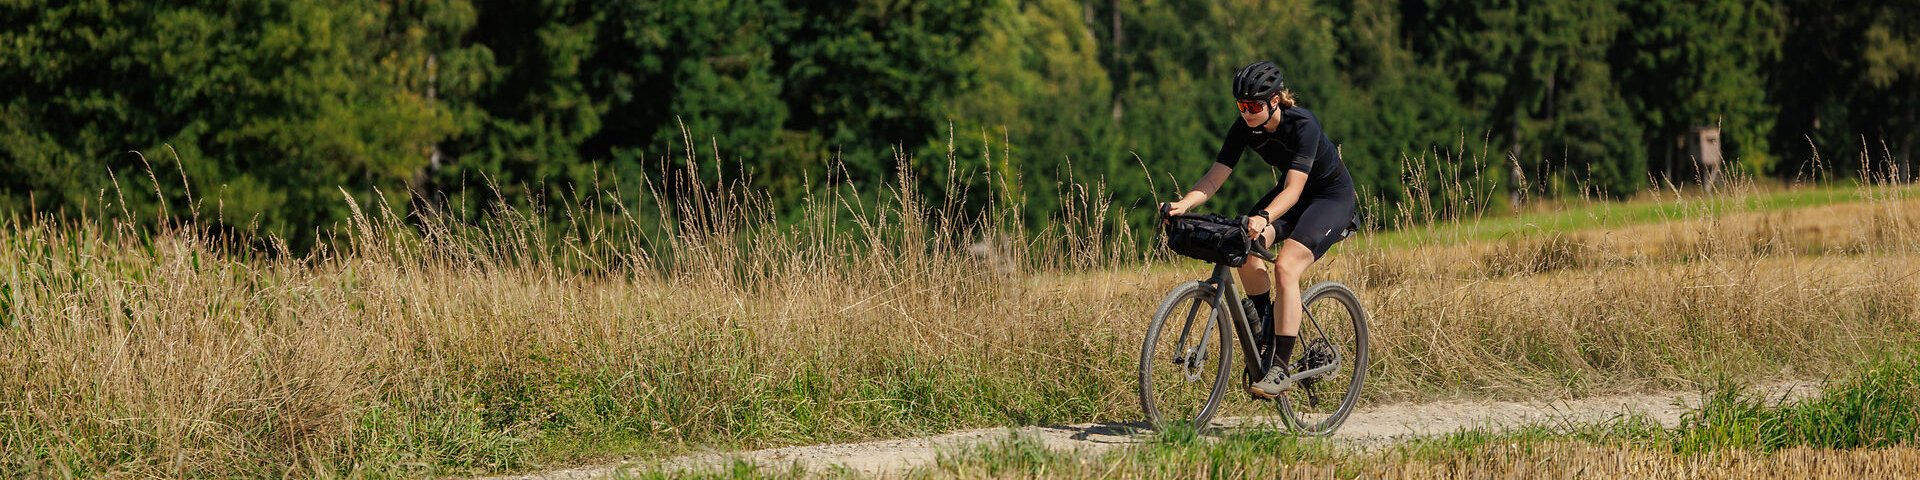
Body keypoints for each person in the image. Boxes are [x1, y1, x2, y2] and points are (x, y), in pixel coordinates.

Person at [1161, 60, 1357, 399]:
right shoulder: (1244, 128)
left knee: (1285, 267)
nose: (1247, 113)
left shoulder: (1303, 125)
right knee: (1244, 247)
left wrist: (1264, 216)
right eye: (1241, 106)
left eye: (1253, 106)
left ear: (1275, 101)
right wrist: (1183, 204)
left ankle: (1280, 367)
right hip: (1292, 197)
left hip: (1329, 199)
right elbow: (1214, 178)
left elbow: (1295, 190)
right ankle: (1266, 330)